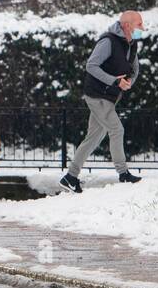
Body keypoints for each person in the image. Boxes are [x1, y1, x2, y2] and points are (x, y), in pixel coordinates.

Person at [60, 10, 146, 193]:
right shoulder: (108, 41)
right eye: (139, 24)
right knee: (117, 129)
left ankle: (70, 177)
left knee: (94, 138)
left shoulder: (132, 44)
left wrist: (129, 82)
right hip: (97, 95)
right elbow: (91, 65)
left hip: (110, 96)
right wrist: (115, 81)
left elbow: (135, 68)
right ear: (127, 25)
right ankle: (123, 174)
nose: (142, 28)